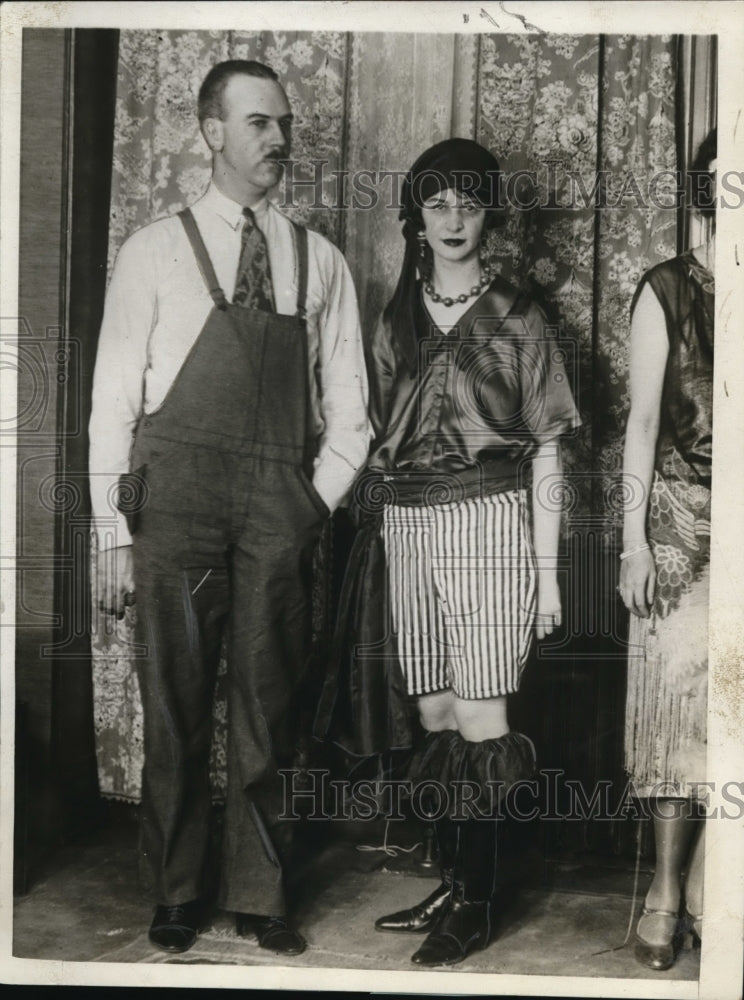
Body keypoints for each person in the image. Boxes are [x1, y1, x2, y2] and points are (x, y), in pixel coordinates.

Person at [89, 59, 370, 956]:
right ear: (211, 132)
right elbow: (111, 406)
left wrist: (306, 506)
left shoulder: (316, 259)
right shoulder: (151, 251)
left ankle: (261, 890)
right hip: (174, 502)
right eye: (258, 124)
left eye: (283, 124)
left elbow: (353, 415)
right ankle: (175, 891)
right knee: (172, 701)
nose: (278, 140)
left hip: (275, 507)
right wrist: (111, 534)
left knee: (269, 702)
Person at [357, 138, 580, 966]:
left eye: (470, 202)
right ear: (416, 215)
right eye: (437, 202)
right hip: (407, 524)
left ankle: (481, 903)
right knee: (436, 713)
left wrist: (548, 579)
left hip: (491, 521)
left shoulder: (521, 314)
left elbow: (550, 447)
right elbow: (373, 435)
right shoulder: (394, 315)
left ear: (490, 214)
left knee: (486, 721)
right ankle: (454, 879)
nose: (453, 218)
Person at [619, 128, 716, 971]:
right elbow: (643, 425)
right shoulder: (668, 289)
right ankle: (665, 893)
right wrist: (631, 543)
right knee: (677, 718)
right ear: (704, 190)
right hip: (681, 521)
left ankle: (723, 892)